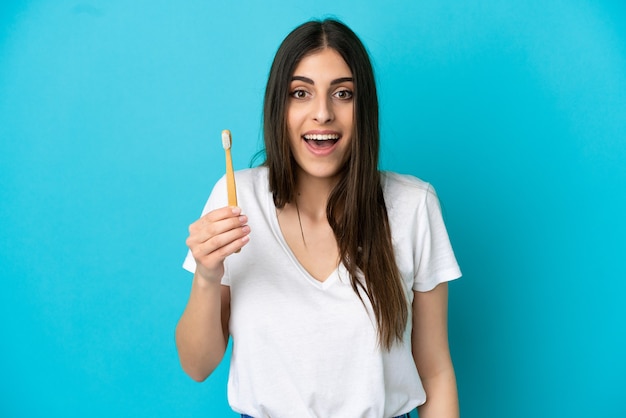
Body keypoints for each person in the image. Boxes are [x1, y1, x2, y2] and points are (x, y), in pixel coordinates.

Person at [176, 18, 461, 418]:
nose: (322, 113)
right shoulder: (234, 200)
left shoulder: (413, 206)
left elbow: (434, 371)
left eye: (343, 93)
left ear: (364, 109)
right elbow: (197, 365)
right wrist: (208, 275)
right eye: (300, 93)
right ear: (279, 106)